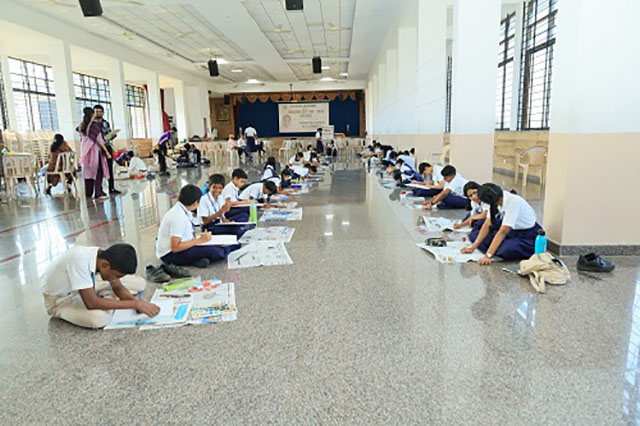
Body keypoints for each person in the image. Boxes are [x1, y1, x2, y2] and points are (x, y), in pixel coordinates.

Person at [41, 243, 159, 329]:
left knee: (140, 283)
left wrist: (135, 303)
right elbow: (91, 303)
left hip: (82, 286)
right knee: (99, 319)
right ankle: (101, 298)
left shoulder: (102, 256)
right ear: (105, 265)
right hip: (60, 300)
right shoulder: (78, 259)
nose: (116, 279)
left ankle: (103, 297)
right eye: (117, 276)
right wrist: (135, 303)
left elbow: (117, 287)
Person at [156, 184, 239, 268]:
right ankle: (228, 248)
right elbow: (175, 247)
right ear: (196, 202)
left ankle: (198, 260)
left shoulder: (183, 210)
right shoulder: (178, 216)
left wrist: (201, 238)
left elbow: (186, 234)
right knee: (215, 251)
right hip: (170, 255)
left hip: (183, 246)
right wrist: (200, 240)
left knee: (212, 246)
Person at [462, 183, 543, 264]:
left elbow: (503, 231)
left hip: (526, 234)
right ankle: (496, 247)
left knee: (506, 250)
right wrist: (473, 247)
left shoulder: (513, 202)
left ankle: (496, 248)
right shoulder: (495, 200)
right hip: (511, 232)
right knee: (474, 235)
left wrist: (488, 256)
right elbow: (487, 224)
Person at [198, 174, 253, 238]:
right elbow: (205, 221)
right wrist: (221, 211)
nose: (217, 190)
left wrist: (228, 222)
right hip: (208, 227)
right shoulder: (204, 199)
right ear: (209, 186)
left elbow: (221, 216)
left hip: (219, 223)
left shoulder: (220, 198)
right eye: (214, 187)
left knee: (243, 220)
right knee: (237, 230)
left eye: (220, 188)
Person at [79, 106, 111, 200]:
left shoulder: (82, 126)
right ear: (92, 114)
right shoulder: (94, 126)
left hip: (85, 153)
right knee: (98, 172)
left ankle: (88, 193)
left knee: (88, 173)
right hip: (94, 152)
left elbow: (81, 139)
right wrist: (107, 152)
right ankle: (98, 193)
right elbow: (99, 140)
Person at [93, 105, 120, 195]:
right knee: (99, 169)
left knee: (109, 167)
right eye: (97, 112)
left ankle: (111, 188)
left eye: (100, 112)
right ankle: (99, 190)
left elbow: (109, 134)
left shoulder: (106, 123)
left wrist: (113, 135)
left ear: (103, 113)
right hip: (98, 148)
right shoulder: (92, 124)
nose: (98, 113)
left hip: (107, 147)